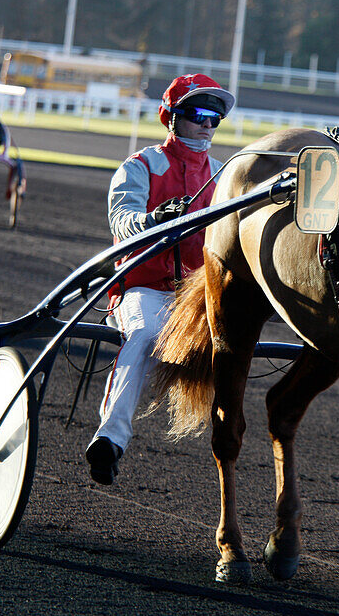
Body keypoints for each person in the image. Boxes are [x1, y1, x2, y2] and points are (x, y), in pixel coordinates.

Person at [85, 74, 235, 484]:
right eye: (197, 114)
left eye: (215, 117)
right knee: (146, 336)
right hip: (145, 289)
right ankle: (110, 439)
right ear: (170, 118)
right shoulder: (140, 167)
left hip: (203, 295)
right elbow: (122, 219)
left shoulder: (226, 176)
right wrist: (153, 220)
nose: (207, 124)